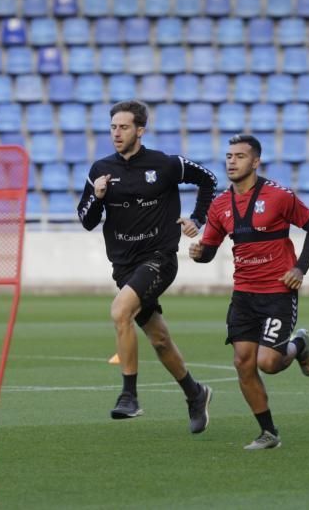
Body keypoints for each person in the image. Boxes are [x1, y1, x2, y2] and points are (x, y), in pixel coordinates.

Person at [77, 100, 217, 434]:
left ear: (140, 129)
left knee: (119, 311)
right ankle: (195, 394)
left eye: (123, 127)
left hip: (160, 258)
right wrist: (96, 197)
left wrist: (197, 219)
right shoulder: (100, 169)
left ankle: (129, 396)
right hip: (123, 266)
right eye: (112, 127)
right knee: (160, 340)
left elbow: (208, 179)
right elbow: (86, 220)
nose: (116, 133)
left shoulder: (164, 164)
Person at [188, 134, 309, 450]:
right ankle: (269, 433)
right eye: (228, 156)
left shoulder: (279, 196)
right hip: (244, 294)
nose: (232, 161)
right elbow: (209, 250)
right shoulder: (220, 204)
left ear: (256, 161)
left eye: (239, 156)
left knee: (269, 363)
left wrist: (300, 268)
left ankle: (299, 344)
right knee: (242, 362)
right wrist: (198, 253)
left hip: (277, 292)